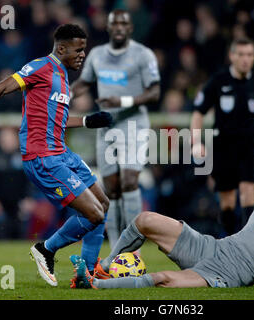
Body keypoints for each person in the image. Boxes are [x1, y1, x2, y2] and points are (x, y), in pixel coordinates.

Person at [0, 24, 113, 286]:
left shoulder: (63, 76)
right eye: (79, 49)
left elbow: (56, 121)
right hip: (44, 158)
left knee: (103, 204)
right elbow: (2, 86)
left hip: (62, 153)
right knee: (94, 214)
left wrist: (87, 121)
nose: (83, 54)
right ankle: (46, 249)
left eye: (85, 49)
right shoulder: (41, 67)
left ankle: (90, 272)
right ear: (61, 48)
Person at [68, 149, 254, 289]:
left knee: (162, 278)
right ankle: (102, 267)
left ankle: (93, 284)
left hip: (228, 274)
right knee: (145, 219)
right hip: (213, 247)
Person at [71, 10, 160, 253]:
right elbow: (85, 83)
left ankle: (135, 250)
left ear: (130, 28)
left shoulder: (143, 54)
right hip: (107, 127)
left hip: (134, 125)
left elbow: (154, 91)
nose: (119, 27)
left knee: (130, 181)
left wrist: (124, 101)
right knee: (110, 189)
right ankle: (116, 248)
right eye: (115, 23)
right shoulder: (98, 55)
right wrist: (65, 93)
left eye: (124, 23)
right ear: (109, 28)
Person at [190, 38, 254, 235]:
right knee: (228, 199)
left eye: (249, 55)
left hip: (249, 147)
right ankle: (230, 241)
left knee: (248, 192)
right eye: (240, 54)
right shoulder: (218, 81)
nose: (245, 59)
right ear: (232, 56)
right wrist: (196, 142)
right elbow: (198, 113)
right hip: (222, 147)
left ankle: (247, 243)